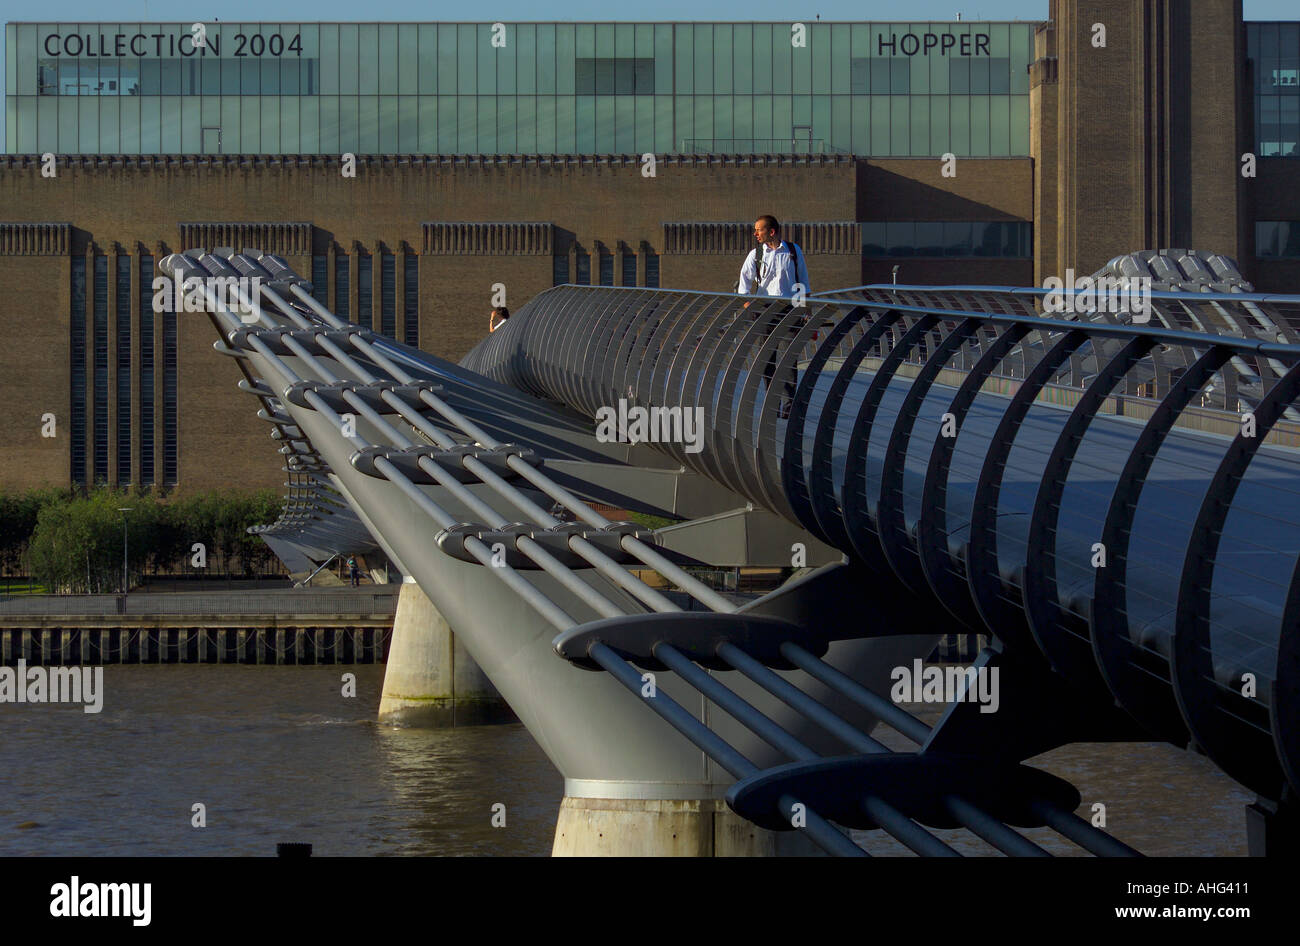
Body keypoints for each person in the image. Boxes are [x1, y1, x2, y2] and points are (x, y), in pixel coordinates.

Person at [737, 215, 811, 417]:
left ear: (771, 231)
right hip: (765, 311)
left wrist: (806, 309)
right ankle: (772, 403)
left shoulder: (794, 251)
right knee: (767, 360)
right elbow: (743, 284)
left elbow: (803, 282)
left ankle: (788, 408)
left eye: (759, 230)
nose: (755, 234)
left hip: (791, 310)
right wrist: (747, 305)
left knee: (788, 359)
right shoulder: (755, 254)